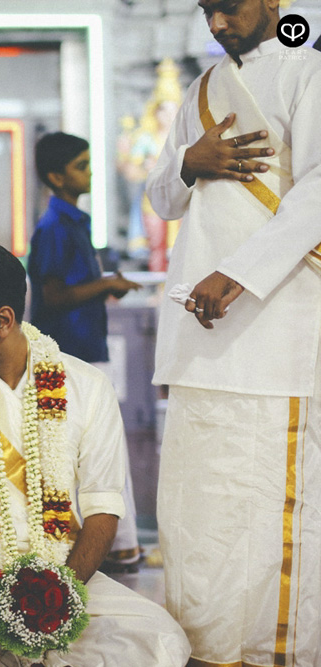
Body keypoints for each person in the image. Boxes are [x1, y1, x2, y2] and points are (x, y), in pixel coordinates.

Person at [0, 240, 190, 666]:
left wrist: (56, 600)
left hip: (67, 577)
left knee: (160, 640)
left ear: (2, 321)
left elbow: (103, 509)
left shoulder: (86, 386)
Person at [145, 1, 321, 664]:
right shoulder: (199, 89)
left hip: (274, 326)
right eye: (206, 10)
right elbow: (163, 197)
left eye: (231, 6)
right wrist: (190, 160)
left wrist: (239, 273)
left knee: (264, 503)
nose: (217, 23)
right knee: (199, 506)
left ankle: (271, 653)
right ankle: (207, 647)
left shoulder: (309, 73)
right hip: (199, 332)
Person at [28, 132, 140, 364]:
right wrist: (106, 283)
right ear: (57, 178)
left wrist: (105, 286)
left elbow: (76, 286)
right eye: (81, 166)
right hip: (64, 352)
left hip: (82, 347)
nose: (90, 172)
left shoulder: (76, 222)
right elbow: (54, 296)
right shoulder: (55, 226)